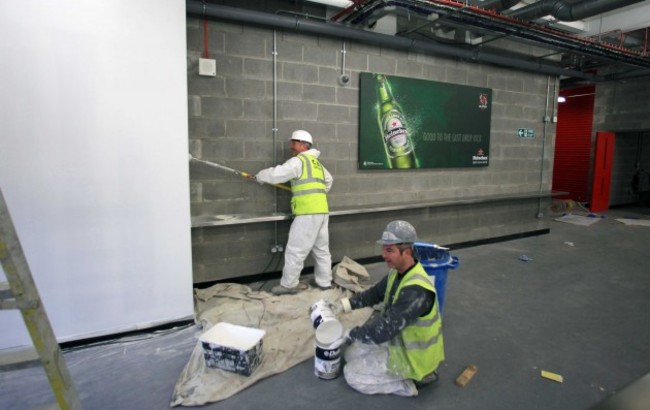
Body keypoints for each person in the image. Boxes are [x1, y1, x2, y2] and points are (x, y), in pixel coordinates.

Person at [332, 220, 444, 396]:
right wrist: (342, 305)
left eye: (389, 250)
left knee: (352, 374)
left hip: (415, 360)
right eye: (384, 249)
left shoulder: (417, 291)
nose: (383, 255)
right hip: (399, 340)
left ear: (406, 252)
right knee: (351, 354)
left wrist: (348, 333)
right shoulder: (397, 273)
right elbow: (374, 294)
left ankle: (410, 383)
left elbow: (382, 330)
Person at [254, 130, 334, 295]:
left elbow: (277, 174)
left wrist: (260, 176)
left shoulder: (298, 161)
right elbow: (329, 180)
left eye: (294, 142)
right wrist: (317, 193)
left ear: (303, 144)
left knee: (295, 250)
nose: (291, 146)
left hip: (307, 212)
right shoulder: (317, 163)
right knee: (322, 250)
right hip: (322, 211)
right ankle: (325, 282)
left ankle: (289, 285)